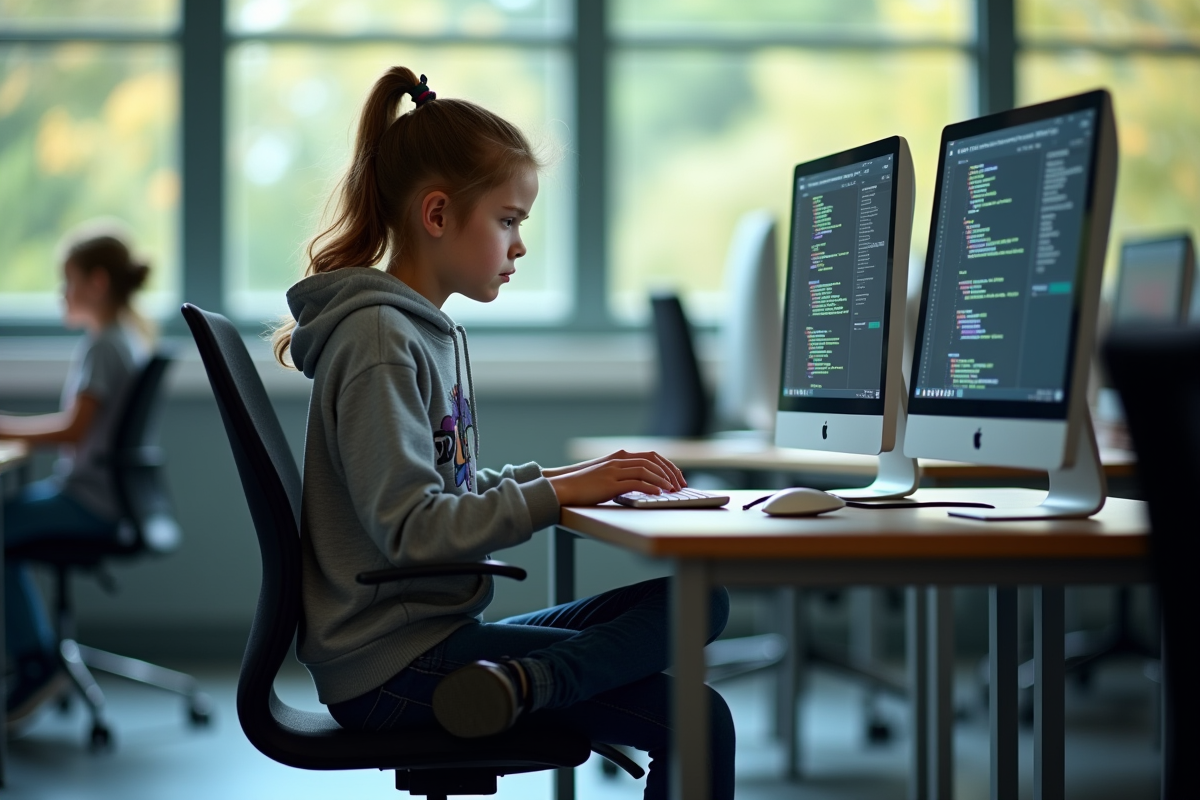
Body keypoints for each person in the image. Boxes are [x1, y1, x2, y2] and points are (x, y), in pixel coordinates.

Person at [271, 68, 735, 798]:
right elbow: (412, 528)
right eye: (509, 220)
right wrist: (560, 495)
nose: (519, 245)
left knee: (698, 602)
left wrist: (559, 483)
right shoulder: (381, 341)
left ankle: (522, 683)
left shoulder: (419, 333)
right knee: (698, 717)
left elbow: (444, 487)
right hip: (395, 666)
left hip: (428, 642)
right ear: (437, 215)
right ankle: (522, 683)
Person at [0, 225, 152, 726]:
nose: (61, 293)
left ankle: (36, 664)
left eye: (67, 281)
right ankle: (40, 657)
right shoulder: (124, 338)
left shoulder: (104, 346)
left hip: (88, 502)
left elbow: (73, 430)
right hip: (106, 497)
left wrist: (5, 427)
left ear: (97, 283)